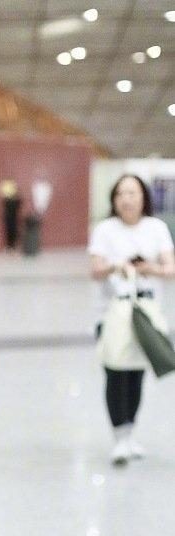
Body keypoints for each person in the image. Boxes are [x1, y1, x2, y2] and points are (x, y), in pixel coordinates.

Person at [89, 174, 175, 465]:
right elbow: (95, 269)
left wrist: (147, 268)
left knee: (136, 374)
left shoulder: (156, 228)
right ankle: (119, 436)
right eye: (121, 193)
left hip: (146, 313)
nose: (126, 199)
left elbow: (170, 268)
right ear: (113, 199)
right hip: (111, 312)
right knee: (115, 373)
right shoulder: (105, 230)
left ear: (143, 197)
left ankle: (129, 433)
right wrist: (117, 267)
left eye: (132, 193)